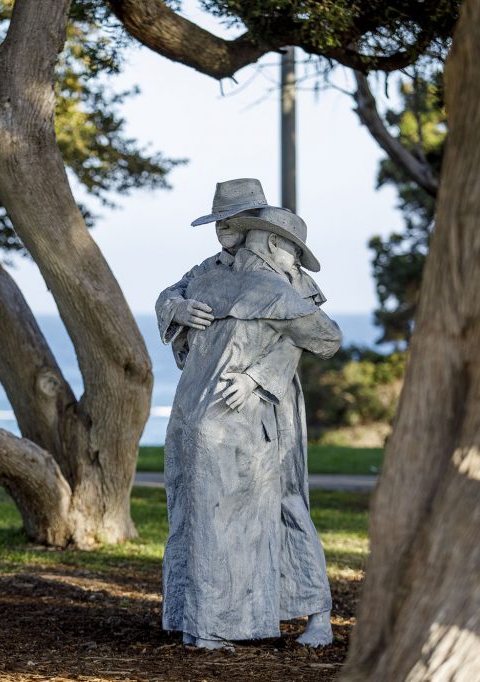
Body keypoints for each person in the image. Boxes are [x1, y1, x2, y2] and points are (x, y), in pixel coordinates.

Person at [156, 178, 341, 650]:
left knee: (285, 503)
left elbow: (300, 340)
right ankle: (211, 615)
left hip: (268, 408)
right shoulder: (208, 270)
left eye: (232, 220)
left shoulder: (283, 273)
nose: (223, 229)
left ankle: (315, 612)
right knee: (211, 510)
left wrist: (258, 378)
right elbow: (169, 295)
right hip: (210, 408)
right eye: (218, 221)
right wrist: (178, 309)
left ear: (255, 221)